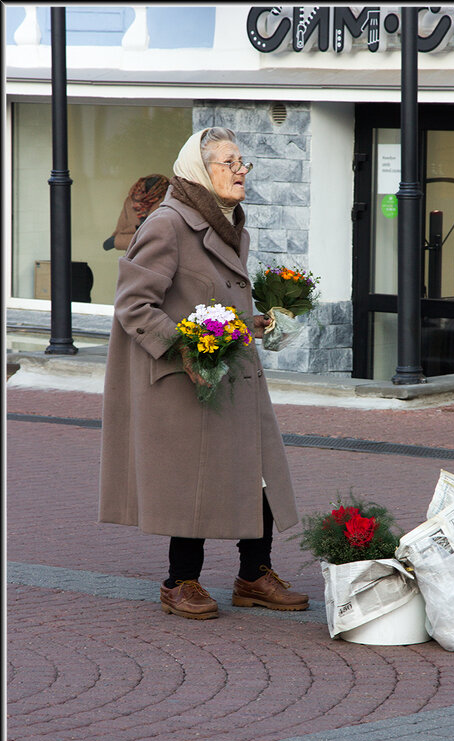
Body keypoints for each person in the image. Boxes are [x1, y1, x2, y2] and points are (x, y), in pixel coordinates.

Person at [98, 127, 309, 620]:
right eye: (230, 163)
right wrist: (189, 346)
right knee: (190, 480)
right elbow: (134, 305)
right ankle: (180, 581)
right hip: (186, 378)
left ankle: (254, 575)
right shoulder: (168, 224)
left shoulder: (229, 222)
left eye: (243, 163)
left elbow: (211, 298)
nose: (241, 171)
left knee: (255, 472)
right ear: (199, 169)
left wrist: (246, 323)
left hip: (231, 373)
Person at [102, 174, 170, 251]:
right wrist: (116, 240)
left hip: (158, 256)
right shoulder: (130, 200)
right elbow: (120, 231)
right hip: (132, 256)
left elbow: (157, 238)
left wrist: (117, 241)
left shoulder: (167, 203)